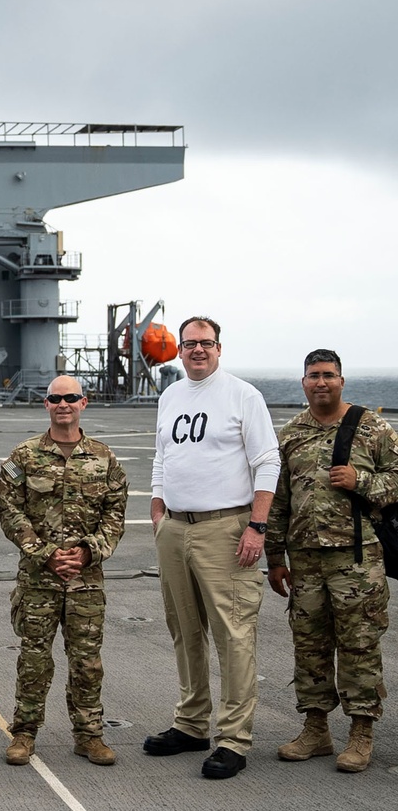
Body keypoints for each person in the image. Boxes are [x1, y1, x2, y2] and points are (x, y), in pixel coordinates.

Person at [144, 316, 280, 780]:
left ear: (219, 348)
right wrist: (158, 506)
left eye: (205, 344)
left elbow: (267, 462)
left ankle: (234, 738)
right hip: (176, 528)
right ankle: (191, 722)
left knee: (233, 633)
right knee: (184, 629)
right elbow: (163, 454)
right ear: (179, 351)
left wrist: (256, 527)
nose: (197, 351)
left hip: (226, 528)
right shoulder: (170, 396)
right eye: (189, 345)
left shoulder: (244, 395)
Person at [266, 350, 398, 773]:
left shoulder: (372, 427)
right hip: (303, 561)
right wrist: (274, 557)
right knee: (310, 646)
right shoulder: (290, 434)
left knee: (359, 644)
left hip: (357, 558)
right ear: (302, 382)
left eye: (328, 375)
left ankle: (361, 732)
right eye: (313, 376)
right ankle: (316, 728)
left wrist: (363, 481)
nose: (320, 382)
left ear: (342, 380)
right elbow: (279, 501)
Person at [0, 376, 128, 767]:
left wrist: (88, 554)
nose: (63, 404)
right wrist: (45, 553)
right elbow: (9, 509)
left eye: (71, 398)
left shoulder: (105, 459)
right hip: (38, 579)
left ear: (84, 403)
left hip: (85, 580)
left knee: (87, 661)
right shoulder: (25, 455)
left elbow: (115, 515)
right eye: (56, 398)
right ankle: (24, 733)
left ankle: (89, 735)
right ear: (46, 404)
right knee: (34, 658)